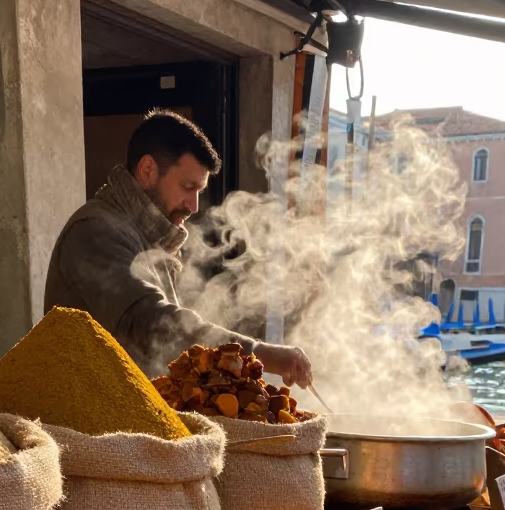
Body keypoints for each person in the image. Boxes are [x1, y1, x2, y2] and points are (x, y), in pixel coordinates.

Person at [44, 109, 312, 387]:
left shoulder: (151, 239)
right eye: (187, 186)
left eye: (199, 191)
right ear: (148, 170)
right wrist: (258, 353)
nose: (194, 205)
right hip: (88, 423)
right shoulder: (96, 231)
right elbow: (155, 324)